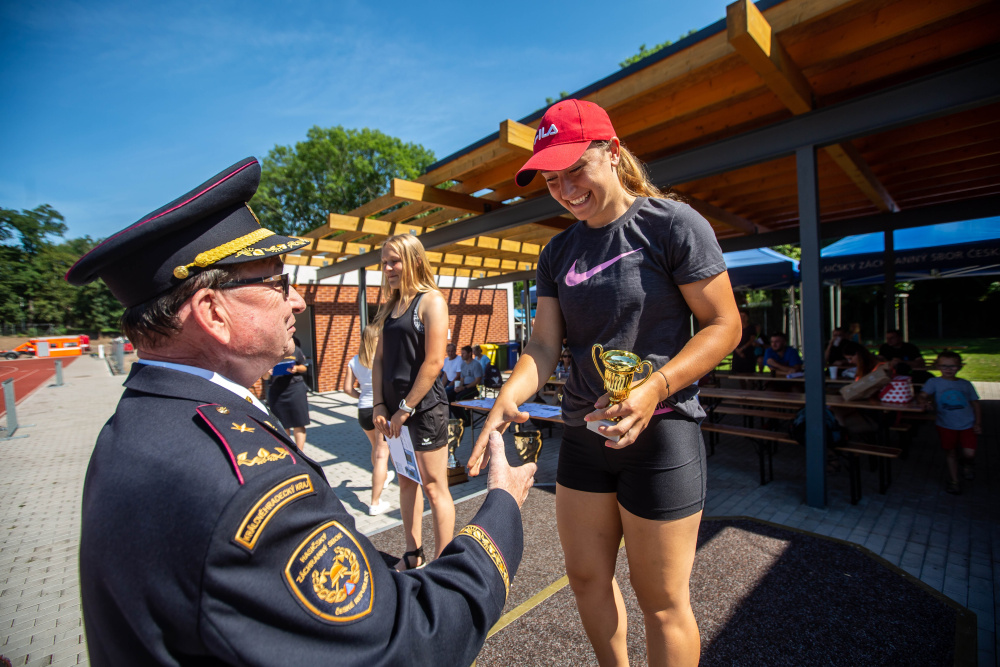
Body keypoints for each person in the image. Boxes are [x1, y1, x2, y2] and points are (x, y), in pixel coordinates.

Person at [67, 157, 536, 665]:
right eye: (276, 282)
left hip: (419, 413)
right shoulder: (249, 485)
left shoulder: (130, 427)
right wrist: (502, 509)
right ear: (212, 313)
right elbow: (410, 643)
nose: (298, 303)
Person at [468, 99, 741, 666]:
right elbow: (543, 346)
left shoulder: (672, 224)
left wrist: (656, 387)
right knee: (586, 579)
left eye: (575, 170)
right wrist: (507, 398)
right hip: (586, 436)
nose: (565, 189)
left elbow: (724, 325)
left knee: (662, 599)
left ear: (612, 153)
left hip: (661, 434)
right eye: (550, 179)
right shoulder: (558, 251)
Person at [371, 233, 455, 571]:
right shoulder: (390, 306)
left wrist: (405, 408)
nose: (388, 268)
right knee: (407, 481)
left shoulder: (431, 301)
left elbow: (434, 362)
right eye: (385, 262)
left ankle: (445, 564)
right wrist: (379, 405)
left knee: (435, 488)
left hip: (422, 411)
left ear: (415, 260)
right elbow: (378, 360)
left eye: (394, 260)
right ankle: (412, 553)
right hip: (394, 414)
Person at [344, 324, 395, 515]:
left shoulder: (354, 360)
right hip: (380, 408)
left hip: (363, 410)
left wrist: (362, 398)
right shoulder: (383, 359)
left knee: (375, 448)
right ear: (376, 338)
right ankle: (375, 503)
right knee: (382, 454)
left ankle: (383, 478)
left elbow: (347, 389)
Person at [918, 351, 981, 494]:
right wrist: (924, 402)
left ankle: (967, 464)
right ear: (938, 366)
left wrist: (978, 422)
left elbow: (975, 403)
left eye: (952, 366)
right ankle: (954, 481)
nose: (948, 369)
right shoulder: (933, 382)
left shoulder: (966, 384)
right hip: (945, 424)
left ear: (959, 367)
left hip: (968, 424)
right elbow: (922, 395)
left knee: (969, 453)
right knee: (950, 453)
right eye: (944, 366)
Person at [263, 335, 310, 450]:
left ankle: (300, 453)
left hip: (295, 389)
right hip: (277, 391)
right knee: (282, 424)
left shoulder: (295, 351)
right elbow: (264, 377)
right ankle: (288, 451)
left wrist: (296, 369)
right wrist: (267, 372)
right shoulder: (269, 354)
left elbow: (304, 368)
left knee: (299, 423)